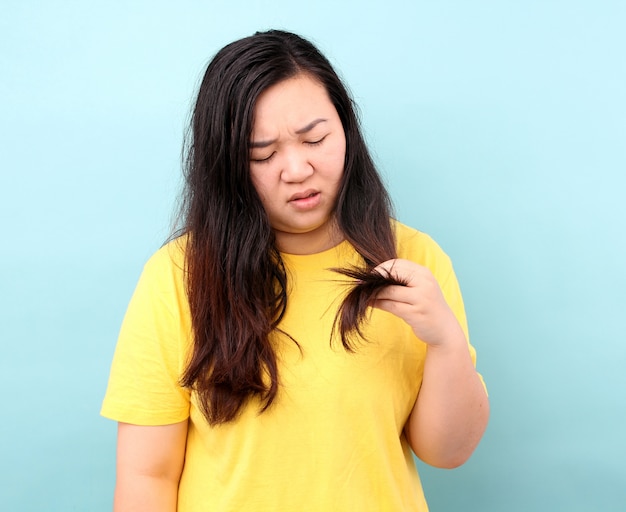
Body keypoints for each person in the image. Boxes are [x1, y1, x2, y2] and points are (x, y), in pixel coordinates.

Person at [101, 29, 489, 512]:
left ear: (346, 127)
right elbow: (146, 476)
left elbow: (448, 452)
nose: (297, 168)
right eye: (262, 154)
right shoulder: (180, 274)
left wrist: (446, 341)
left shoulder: (413, 259)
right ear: (227, 166)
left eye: (315, 138)